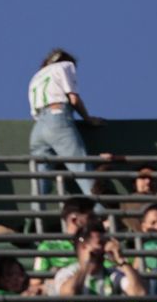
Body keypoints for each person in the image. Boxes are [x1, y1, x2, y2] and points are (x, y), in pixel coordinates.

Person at [27, 49, 102, 200]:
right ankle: (101, 211)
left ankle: (35, 214)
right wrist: (88, 119)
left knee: (40, 181)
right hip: (57, 117)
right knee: (82, 169)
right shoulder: (65, 65)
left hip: (38, 128)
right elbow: (73, 99)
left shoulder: (36, 77)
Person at [33, 196, 98, 275]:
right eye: (90, 218)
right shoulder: (48, 247)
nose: (95, 221)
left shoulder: (98, 245)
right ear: (74, 220)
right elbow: (36, 281)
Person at [121, 167, 157, 233]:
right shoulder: (126, 202)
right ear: (134, 183)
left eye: (152, 178)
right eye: (143, 177)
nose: (148, 181)